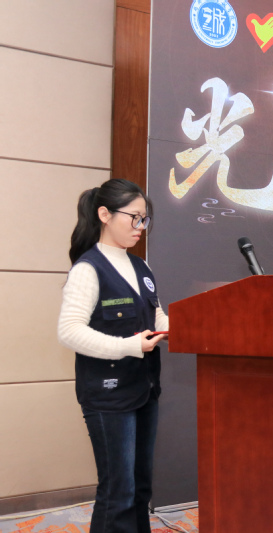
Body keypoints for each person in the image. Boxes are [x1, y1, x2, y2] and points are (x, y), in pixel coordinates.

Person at [58, 178, 168, 533]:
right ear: (104, 215)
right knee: (118, 492)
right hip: (108, 395)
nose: (140, 226)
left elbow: (156, 316)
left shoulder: (141, 267)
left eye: (144, 219)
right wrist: (129, 346)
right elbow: (69, 331)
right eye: (134, 217)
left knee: (140, 488)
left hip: (144, 389)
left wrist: (187, 326)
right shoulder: (88, 269)